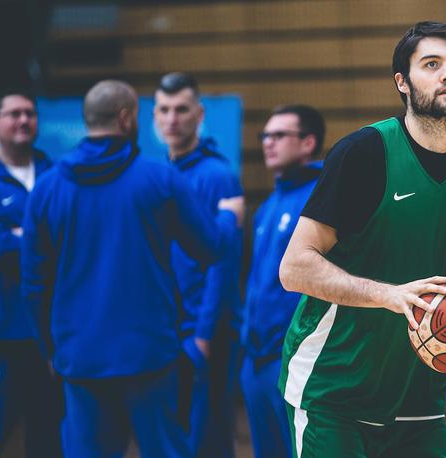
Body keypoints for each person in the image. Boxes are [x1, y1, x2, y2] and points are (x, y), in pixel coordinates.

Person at [277, 21, 446, 457]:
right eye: (432, 64)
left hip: (421, 394)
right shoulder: (363, 153)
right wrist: (391, 295)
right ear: (402, 82)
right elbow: (295, 267)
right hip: (335, 388)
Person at [20, 80, 244, 458]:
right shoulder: (159, 179)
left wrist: (50, 349)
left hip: (80, 358)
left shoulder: (46, 188)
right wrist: (227, 215)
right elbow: (210, 248)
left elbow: (33, 285)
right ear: (126, 119)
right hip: (151, 358)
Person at [154, 72, 243, 457]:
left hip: (206, 332)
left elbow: (223, 262)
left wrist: (204, 335)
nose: (172, 119)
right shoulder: (159, 172)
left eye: (181, 109)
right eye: (164, 110)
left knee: (206, 440)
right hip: (169, 329)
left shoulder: (217, 175)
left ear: (199, 114)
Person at [0, 89, 62, 457]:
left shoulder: (54, 172)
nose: (24, 120)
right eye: (14, 114)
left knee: (50, 440)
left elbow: (73, 239)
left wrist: (21, 234)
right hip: (0, 333)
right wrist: (43, 238)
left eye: (30, 113)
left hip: (50, 333)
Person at [240, 105, 325, 458]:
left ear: (308, 142)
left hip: (295, 359)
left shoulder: (322, 199)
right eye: (265, 135)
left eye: (279, 135)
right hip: (255, 360)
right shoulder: (268, 205)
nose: (268, 142)